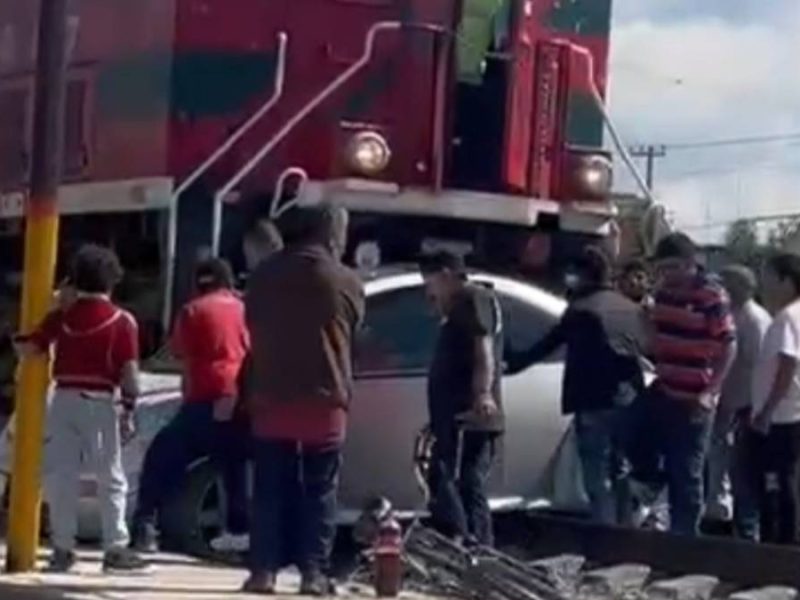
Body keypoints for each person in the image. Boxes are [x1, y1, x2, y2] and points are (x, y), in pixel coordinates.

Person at [243, 205, 364, 596]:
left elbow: (252, 327)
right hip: (324, 401)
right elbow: (354, 328)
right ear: (329, 233)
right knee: (320, 491)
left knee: (269, 489)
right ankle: (313, 575)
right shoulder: (345, 280)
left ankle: (263, 572)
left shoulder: (262, 277)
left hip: (271, 397)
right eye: (342, 231)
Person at [16, 245, 146, 573]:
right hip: (99, 403)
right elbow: (129, 375)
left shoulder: (62, 317)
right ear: (112, 280)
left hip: (61, 401)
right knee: (110, 477)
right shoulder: (123, 321)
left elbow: (30, 346)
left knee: (62, 478)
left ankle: (62, 549)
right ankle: (115, 549)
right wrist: (129, 409)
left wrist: (51, 303)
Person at [511, 247, 647, 525]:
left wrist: (511, 362)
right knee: (620, 470)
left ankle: (607, 536)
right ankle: (628, 531)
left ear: (583, 275)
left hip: (594, 401)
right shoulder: (630, 308)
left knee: (596, 475)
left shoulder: (582, 310)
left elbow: (547, 345)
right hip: (629, 400)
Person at [131, 258, 250, 553]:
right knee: (234, 465)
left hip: (205, 399)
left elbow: (178, 352)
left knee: (161, 457)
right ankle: (239, 529)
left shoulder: (193, 310)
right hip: (241, 398)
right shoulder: (246, 308)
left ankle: (145, 525)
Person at [648, 233, 737, 535]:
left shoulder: (711, 296)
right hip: (664, 390)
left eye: (673, 267)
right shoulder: (662, 293)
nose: (667, 275)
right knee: (635, 440)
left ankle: (686, 542)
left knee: (687, 473)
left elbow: (728, 346)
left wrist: (711, 392)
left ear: (690, 264)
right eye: (662, 268)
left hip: (694, 398)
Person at [421, 251, 504, 546]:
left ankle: (477, 543)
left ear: (445, 275)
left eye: (430, 282)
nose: (428, 290)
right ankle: (466, 540)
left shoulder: (472, 299)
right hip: (456, 414)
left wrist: (482, 392)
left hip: (469, 414)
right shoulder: (456, 307)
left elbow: (484, 345)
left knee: (463, 481)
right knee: (453, 479)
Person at [714, 265, 771, 539]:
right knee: (726, 467)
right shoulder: (733, 315)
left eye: (726, 281)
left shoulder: (755, 320)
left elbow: (761, 368)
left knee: (743, 472)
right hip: (729, 404)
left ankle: (747, 531)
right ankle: (728, 520)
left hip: (745, 406)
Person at [750, 253, 800, 544]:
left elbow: (788, 363)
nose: (763, 282)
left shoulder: (786, 319)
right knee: (785, 478)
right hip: (790, 412)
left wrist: (766, 411)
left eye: (768, 275)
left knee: (778, 482)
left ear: (785, 281)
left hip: (781, 415)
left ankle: (779, 545)